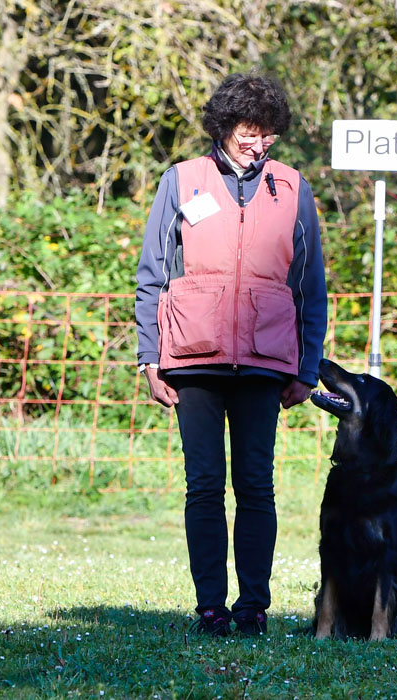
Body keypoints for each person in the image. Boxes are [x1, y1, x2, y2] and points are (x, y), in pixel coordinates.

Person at [134, 72, 327, 637]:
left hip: (267, 363)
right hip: (192, 358)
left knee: (256, 485)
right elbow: (151, 276)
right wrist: (150, 358)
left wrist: (306, 368)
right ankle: (211, 607)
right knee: (203, 486)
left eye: (267, 132)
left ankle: (253, 608)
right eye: (247, 129)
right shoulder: (182, 181)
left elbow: (311, 288)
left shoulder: (294, 188)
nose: (257, 141)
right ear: (224, 126)